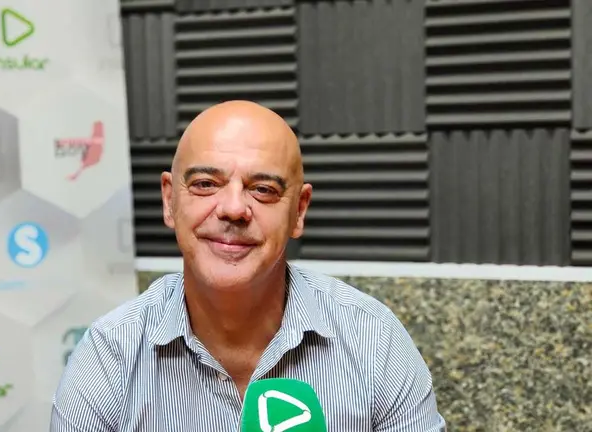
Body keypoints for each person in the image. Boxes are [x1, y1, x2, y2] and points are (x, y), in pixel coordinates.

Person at [50, 100, 447, 431]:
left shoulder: (372, 340)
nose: (233, 208)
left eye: (263, 189)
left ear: (299, 211)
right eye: (206, 184)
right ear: (170, 201)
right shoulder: (110, 356)